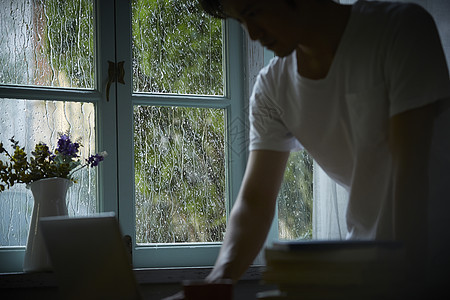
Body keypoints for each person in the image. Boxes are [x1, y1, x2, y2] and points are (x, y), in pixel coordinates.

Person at [165, 0, 450, 298]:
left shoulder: (400, 29)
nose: (252, 34)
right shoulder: (272, 89)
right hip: (365, 269)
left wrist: (402, 285)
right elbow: (255, 203)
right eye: (240, 21)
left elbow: (410, 173)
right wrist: (217, 282)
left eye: (252, 12)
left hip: (431, 262)